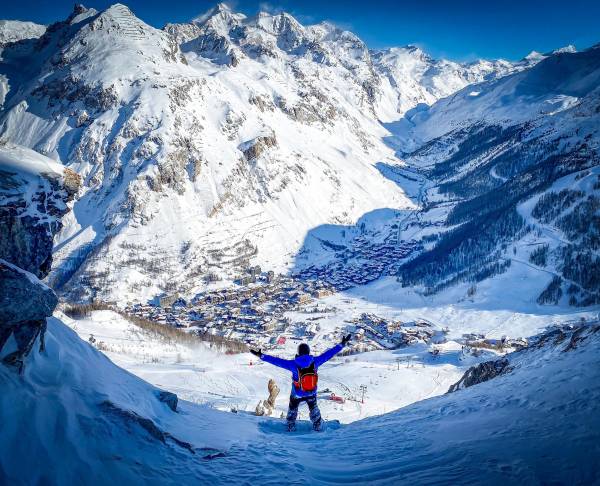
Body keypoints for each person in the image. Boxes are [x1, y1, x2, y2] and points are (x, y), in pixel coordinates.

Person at [250, 334, 352, 431]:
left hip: (297, 393)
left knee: (293, 409)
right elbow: (329, 354)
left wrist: (261, 356)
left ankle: (290, 425)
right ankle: (317, 425)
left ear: (298, 353)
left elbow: (277, 361)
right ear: (308, 352)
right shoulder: (315, 361)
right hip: (311, 392)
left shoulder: (293, 364)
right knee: (313, 408)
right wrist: (342, 344)